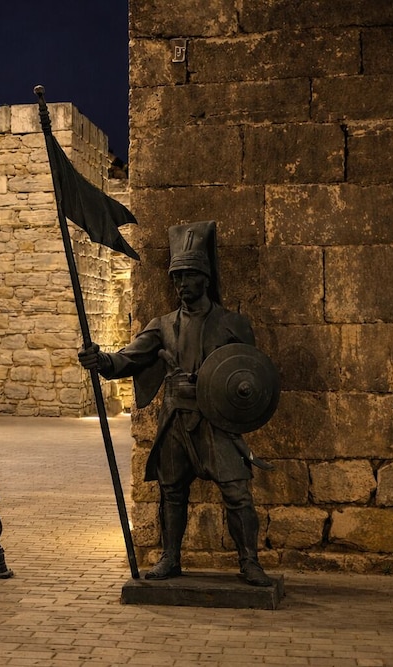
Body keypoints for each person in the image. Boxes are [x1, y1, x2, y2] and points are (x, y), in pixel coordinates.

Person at [79, 221, 274, 586]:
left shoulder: (232, 324)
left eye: (188, 276)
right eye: (176, 277)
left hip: (215, 422)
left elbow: (249, 374)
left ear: (205, 279)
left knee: (237, 493)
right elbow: (129, 358)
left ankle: (249, 561)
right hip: (175, 421)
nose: (182, 284)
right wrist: (100, 360)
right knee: (172, 492)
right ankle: (170, 557)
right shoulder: (163, 325)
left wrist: (212, 384)